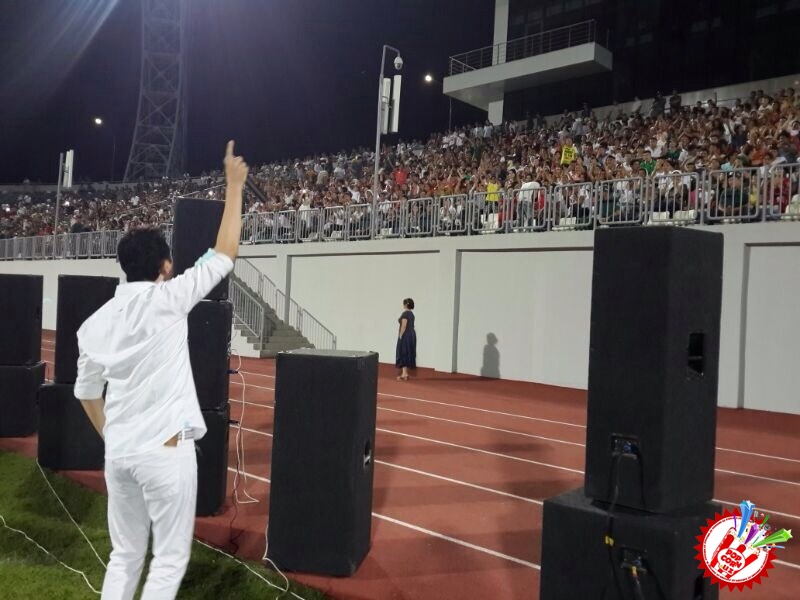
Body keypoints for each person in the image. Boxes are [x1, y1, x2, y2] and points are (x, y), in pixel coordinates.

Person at [74, 140, 248, 600]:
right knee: (168, 559)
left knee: (125, 555)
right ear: (166, 266)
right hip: (165, 453)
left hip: (120, 454)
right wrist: (234, 186)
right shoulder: (169, 299)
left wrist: (112, 435)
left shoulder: (93, 325)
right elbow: (225, 252)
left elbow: (86, 392)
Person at [395, 298, 416, 381]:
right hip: (411, 335)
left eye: (404, 303)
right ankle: (404, 373)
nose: (403, 304)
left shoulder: (405, 313)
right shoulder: (412, 314)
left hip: (405, 335)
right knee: (407, 352)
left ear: (406, 304)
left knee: (402, 352)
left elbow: (404, 325)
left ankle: (404, 374)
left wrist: (400, 335)